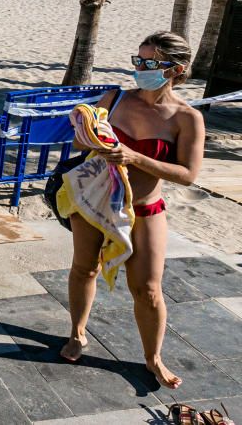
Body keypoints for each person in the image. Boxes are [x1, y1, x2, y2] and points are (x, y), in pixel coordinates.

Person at [60, 31, 204, 391]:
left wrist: (136, 157)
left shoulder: (186, 118)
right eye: (137, 61)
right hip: (95, 202)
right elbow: (80, 139)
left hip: (146, 207)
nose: (140, 69)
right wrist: (90, 132)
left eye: (149, 63)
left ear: (175, 69)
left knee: (148, 288)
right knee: (84, 268)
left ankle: (153, 358)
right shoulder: (117, 97)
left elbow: (188, 175)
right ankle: (78, 333)